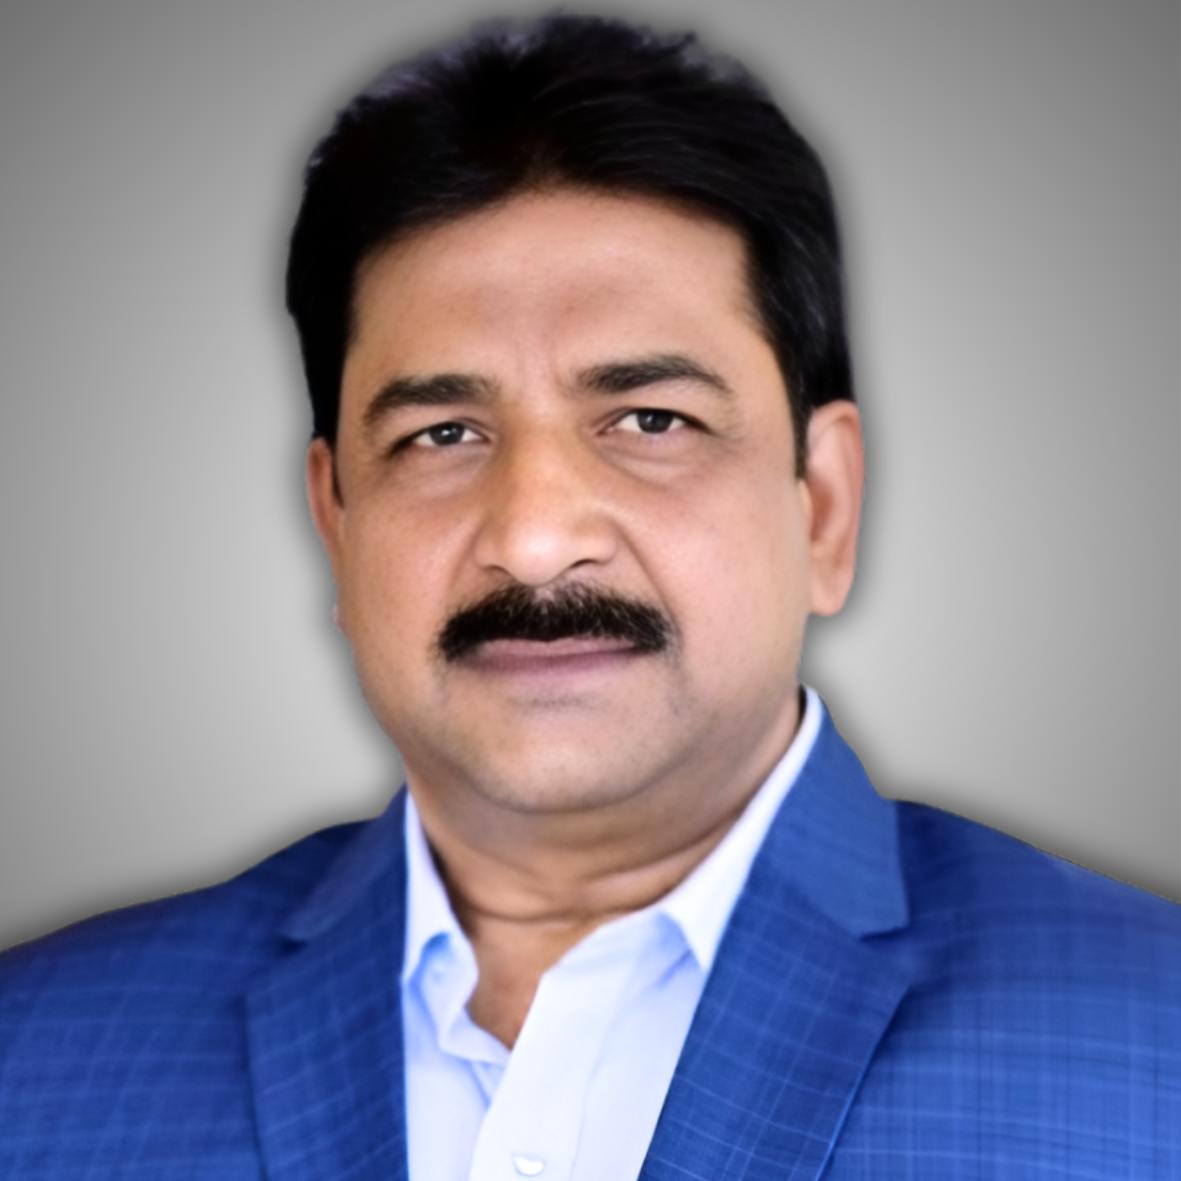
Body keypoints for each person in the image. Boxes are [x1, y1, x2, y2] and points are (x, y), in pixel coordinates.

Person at [0, 13, 1177, 1179]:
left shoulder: (1149, 1039)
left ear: (821, 505)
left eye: (650, 420)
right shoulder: (35, 1055)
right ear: (335, 522)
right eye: (441, 433)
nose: (533, 539)